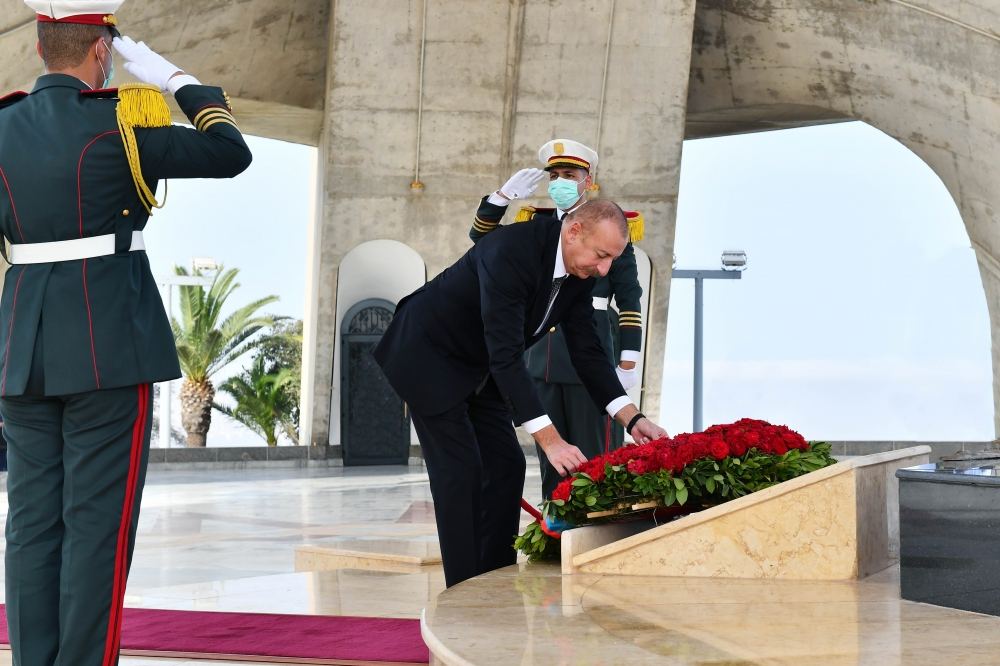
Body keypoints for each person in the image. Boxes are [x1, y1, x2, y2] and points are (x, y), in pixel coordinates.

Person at [0, 2, 252, 664]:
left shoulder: (2, 128)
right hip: (106, 348)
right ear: (103, 52)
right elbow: (231, 150)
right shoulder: (123, 123)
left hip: (21, 352)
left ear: (38, 46)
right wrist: (174, 81)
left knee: (29, 526)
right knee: (96, 530)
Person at [374, 199, 668, 588]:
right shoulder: (510, 251)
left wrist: (633, 418)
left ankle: (494, 578)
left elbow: (587, 350)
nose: (603, 270)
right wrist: (551, 441)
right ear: (574, 231)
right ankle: (464, 592)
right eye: (600, 256)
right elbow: (507, 354)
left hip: (481, 364)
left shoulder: (581, 274)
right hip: (430, 356)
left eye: (611, 260)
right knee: (460, 471)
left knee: (507, 464)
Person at [471, 139, 645, 498]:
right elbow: (482, 239)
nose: (560, 182)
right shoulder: (536, 223)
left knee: (596, 458)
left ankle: (595, 530)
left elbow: (629, 299)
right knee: (553, 460)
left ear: (588, 180)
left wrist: (628, 361)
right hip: (540, 360)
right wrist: (500, 199)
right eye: (554, 175)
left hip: (588, 356)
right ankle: (555, 529)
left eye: (569, 174)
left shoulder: (612, 228)